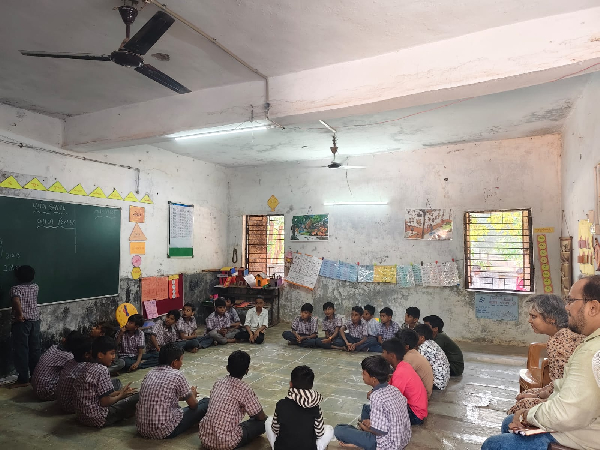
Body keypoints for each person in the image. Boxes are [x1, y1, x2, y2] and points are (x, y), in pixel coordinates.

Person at [481, 275, 600, 450]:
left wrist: (525, 415)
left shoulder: (589, 351)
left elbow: (567, 412)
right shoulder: (588, 341)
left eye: (571, 301)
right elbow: (565, 386)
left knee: (494, 444)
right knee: (511, 421)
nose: (566, 307)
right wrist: (540, 395)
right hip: (583, 422)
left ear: (593, 308)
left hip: (584, 434)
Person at [507, 294, 585, 415]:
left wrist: (537, 397)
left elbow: (561, 387)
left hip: (569, 404)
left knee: (519, 407)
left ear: (551, 319)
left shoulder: (558, 342)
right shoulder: (569, 333)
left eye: (534, 316)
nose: (529, 320)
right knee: (526, 395)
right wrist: (538, 394)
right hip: (572, 395)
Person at [334, 355, 411, 450]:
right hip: (402, 439)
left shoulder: (376, 396)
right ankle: (361, 439)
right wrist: (372, 423)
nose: (362, 375)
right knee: (366, 408)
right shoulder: (394, 389)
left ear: (373, 379)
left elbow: (380, 431)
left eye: (364, 373)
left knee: (339, 429)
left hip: (387, 444)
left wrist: (367, 428)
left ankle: (360, 442)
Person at [136, 343, 210, 439]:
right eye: (181, 360)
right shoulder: (177, 375)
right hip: (164, 431)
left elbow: (163, 396)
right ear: (174, 362)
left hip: (142, 429)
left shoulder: (150, 373)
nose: (182, 363)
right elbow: (193, 405)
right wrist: (193, 395)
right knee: (206, 402)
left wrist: (186, 396)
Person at [199, 350, 267, 449]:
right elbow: (260, 416)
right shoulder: (244, 388)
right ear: (247, 371)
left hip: (205, 438)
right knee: (264, 423)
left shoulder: (218, 382)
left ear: (227, 368)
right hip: (226, 442)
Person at [74, 336, 139, 427]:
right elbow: (105, 402)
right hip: (98, 418)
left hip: (81, 416)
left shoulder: (85, 366)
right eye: (112, 353)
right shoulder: (102, 370)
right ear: (100, 355)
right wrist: (121, 396)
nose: (114, 357)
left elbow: (99, 394)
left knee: (117, 383)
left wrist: (120, 392)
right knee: (138, 397)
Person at [266, 365, 334, 450]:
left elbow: (275, 429)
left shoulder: (281, 404)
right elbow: (319, 433)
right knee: (329, 429)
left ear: (290, 384)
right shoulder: (315, 407)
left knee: (268, 421)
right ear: (311, 386)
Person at [382, 338, 428, 425]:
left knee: (378, 409)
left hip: (415, 415)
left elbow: (393, 400)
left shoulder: (400, 373)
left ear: (392, 356)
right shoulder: (404, 365)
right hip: (418, 410)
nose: (382, 355)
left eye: (383, 352)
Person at [10, 265, 41, 388]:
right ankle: (35, 376)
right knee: (35, 349)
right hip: (35, 321)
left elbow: (16, 301)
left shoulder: (15, 289)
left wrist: (19, 314)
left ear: (17, 277)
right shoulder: (35, 287)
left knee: (22, 350)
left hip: (22, 322)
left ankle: (23, 379)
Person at [31, 329, 80, 400]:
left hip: (35, 387)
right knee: (74, 376)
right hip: (45, 392)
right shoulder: (68, 356)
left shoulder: (53, 347)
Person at [57, 335, 92, 413]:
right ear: (86, 354)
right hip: (71, 406)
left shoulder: (70, 361)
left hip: (61, 402)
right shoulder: (85, 368)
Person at [399, 329, 434, 398]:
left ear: (406, 347)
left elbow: (402, 381)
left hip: (421, 397)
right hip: (425, 392)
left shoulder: (408, 359)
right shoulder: (413, 353)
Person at [414, 323, 450, 390]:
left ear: (422, 338)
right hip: (443, 381)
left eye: (415, 337)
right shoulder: (432, 343)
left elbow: (418, 366)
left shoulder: (423, 347)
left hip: (436, 384)